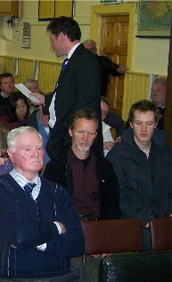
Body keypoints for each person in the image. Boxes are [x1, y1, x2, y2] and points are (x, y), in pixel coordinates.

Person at [0, 126, 84, 279]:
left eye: (39, 148)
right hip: (15, 277)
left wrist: (41, 244)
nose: (36, 154)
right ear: (11, 155)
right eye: (27, 149)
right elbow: (20, 236)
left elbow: (77, 243)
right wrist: (56, 227)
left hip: (58, 276)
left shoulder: (58, 192)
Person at [32, 16, 102, 160]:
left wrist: (73, 138)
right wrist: (46, 99)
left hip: (71, 140)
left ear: (62, 36)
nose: (52, 45)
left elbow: (85, 104)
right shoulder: (75, 59)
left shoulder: (84, 61)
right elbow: (69, 95)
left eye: (52, 40)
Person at [106, 100, 172, 250]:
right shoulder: (118, 156)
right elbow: (118, 197)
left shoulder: (164, 151)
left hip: (162, 219)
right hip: (132, 223)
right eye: (138, 123)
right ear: (131, 124)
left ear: (155, 124)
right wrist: (144, 219)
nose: (143, 129)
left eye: (149, 124)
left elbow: (170, 187)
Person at [44, 108, 121, 220]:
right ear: (71, 132)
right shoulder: (56, 167)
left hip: (101, 226)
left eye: (90, 133)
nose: (85, 138)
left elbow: (113, 208)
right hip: (70, 226)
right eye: (80, 132)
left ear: (96, 135)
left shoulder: (105, 167)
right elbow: (50, 207)